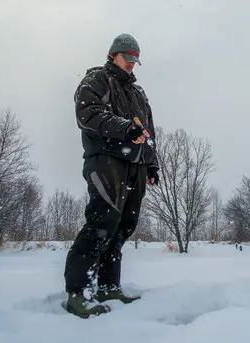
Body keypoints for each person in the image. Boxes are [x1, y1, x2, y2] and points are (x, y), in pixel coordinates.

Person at [63, 33, 159, 318]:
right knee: (101, 223)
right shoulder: (97, 81)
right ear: (113, 55)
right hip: (106, 160)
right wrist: (124, 128)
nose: (132, 62)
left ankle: (107, 286)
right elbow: (87, 115)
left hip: (137, 165)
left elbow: (148, 130)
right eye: (127, 56)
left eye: (135, 59)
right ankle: (78, 293)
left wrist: (151, 164)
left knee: (122, 227)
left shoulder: (138, 94)